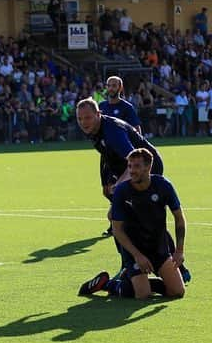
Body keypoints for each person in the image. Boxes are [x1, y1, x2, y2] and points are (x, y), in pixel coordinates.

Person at [78, 148, 186, 300]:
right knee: (143, 295)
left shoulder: (163, 186)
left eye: (136, 166)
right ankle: (107, 284)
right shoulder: (123, 191)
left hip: (158, 249)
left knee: (177, 292)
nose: (131, 171)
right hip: (134, 250)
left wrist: (179, 250)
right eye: (129, 166)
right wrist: (138, 256)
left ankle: (135, 281)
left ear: (148, 167)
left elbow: (179, 218)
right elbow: (117, 229)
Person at [76, 97, 165, 236]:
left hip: (147, 165)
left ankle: (162, 247)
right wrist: (105, 180)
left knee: (137, 209)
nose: (83, 122)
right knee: (109, 193)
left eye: (87, 117)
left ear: (98, 114)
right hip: (123, 165)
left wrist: (119, 188)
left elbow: (135, 159)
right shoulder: (94, 128)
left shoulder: (113, 132)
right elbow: (105, 152)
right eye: (80, 118)